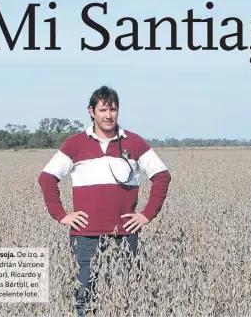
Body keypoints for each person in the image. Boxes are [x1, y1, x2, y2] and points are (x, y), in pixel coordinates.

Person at [38, 86, 172, 317]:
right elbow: (46, 178)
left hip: (125, 235)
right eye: (103, 110)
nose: (109, 115)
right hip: (85, 236)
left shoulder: (135, 142)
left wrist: (146, 214)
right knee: (84, 298)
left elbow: (162, 176)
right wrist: (61, 215)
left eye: (113, 109)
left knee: (127, 295)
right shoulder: (75, 144)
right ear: (91, 112)